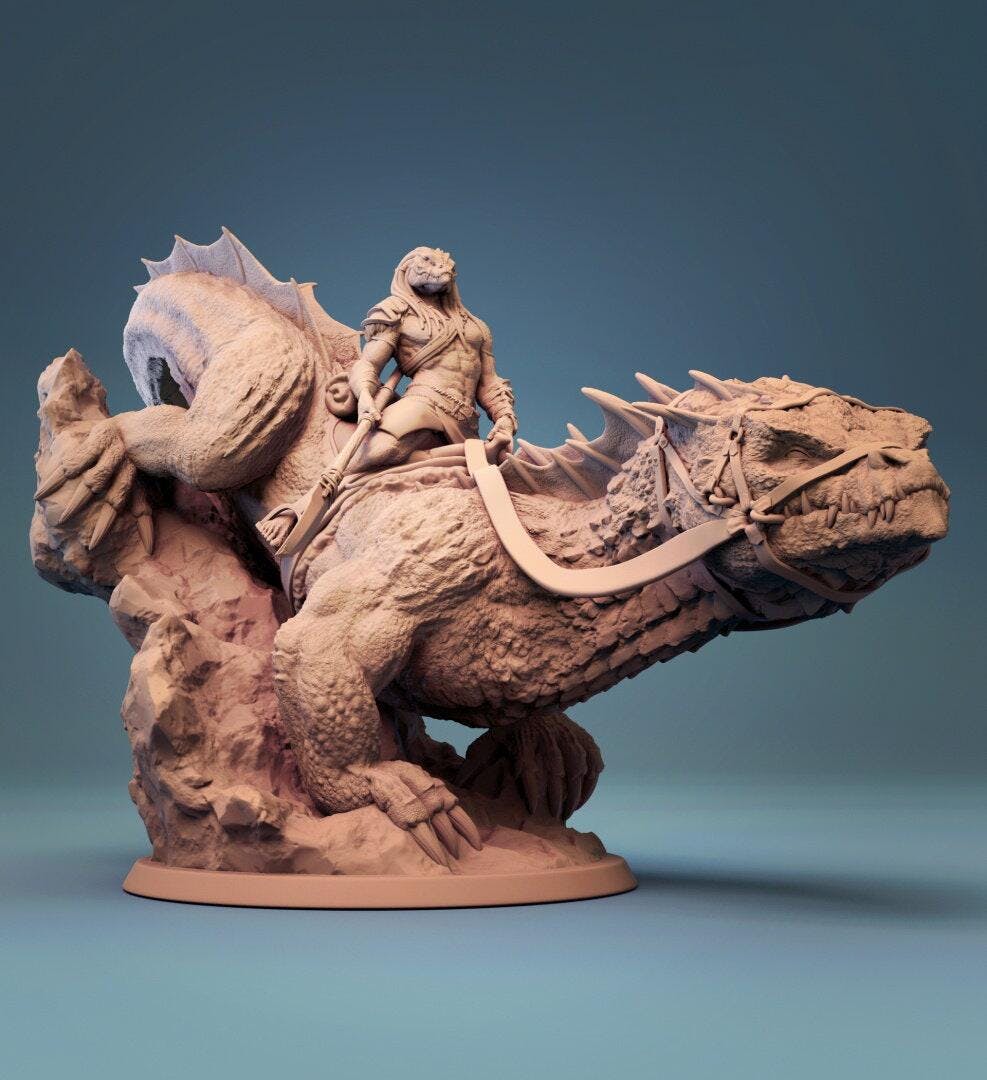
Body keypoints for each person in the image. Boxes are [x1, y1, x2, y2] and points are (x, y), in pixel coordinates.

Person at [257, 247, 517, 550]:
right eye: (425, 261)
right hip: (424, 401)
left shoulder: (476, 327)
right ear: (405, 270)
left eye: (441, 262)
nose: (437, 266)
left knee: (492, 478)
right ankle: (300, 508)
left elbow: (489, 381)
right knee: (380, 450)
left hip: (466, 422)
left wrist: (504, 418)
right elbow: (367, 364)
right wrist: (365, 397)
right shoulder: (396, 311)